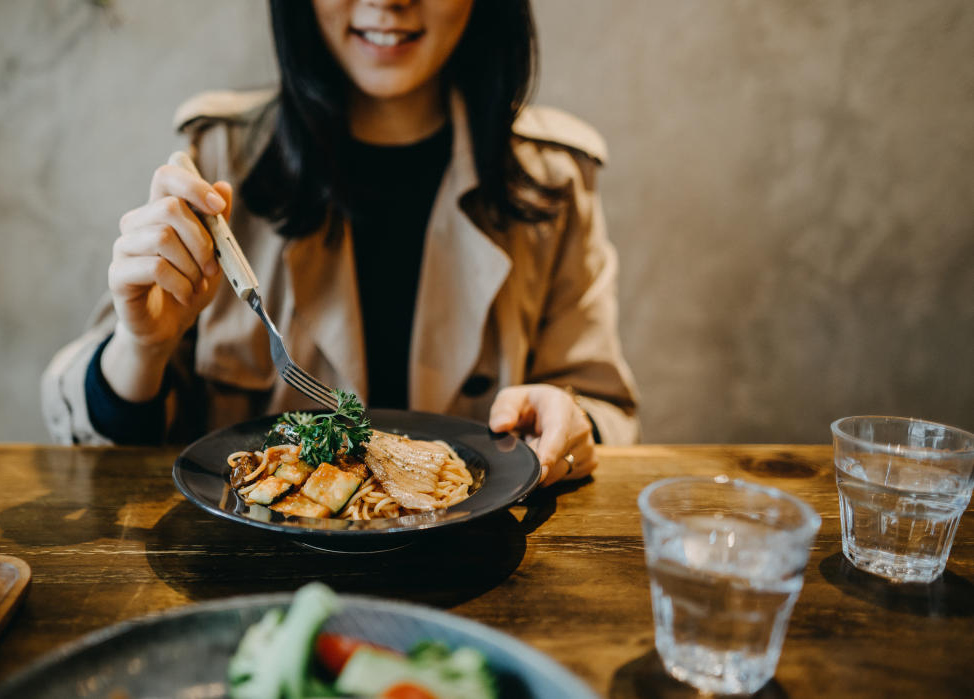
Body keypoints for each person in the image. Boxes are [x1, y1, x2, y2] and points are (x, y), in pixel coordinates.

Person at [42, 0, 639, 486]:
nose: (389, 3)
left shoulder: (552, 180)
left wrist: (573, 425)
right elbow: (81, 430)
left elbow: (604, 409)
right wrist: (141, 347)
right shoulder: (220, 159)